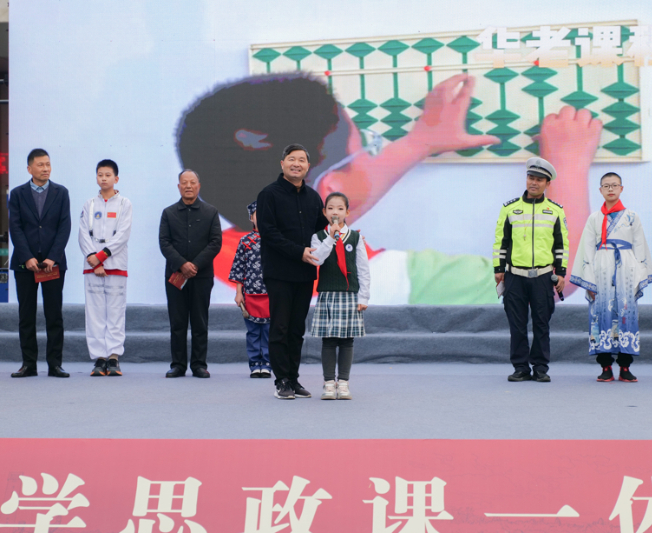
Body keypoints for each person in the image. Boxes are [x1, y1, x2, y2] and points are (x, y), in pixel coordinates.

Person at [176, 74, 598, 304]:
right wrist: (566, 162)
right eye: (367, 147)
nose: (374, 155)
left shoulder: (216, 260)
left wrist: (421, 140)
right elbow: (553, 283)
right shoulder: (386, 281)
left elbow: (340, 187)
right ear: (331, 192)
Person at [256, 144, 328, 400]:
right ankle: (282, 380)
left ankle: (294, 379)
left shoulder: (313, 198)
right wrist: (299, 252)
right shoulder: (268, 194)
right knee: (280, 327)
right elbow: (269, 233)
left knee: (297, 329)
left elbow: (323, 232)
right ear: (282, 163)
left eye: (301, 160)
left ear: (308, 166)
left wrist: (343, 235)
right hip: (279, 272)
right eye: (291, 159)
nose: (296, 164)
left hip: (305, 273)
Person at [570, 172, 652, 382]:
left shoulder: (632, 217)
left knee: (627, 314)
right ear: (600, 190)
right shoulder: (594, 218)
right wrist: (589, 280)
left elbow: (640, 247)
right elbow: (587, 250)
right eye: (606, 186)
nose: (610, 189)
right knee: (601, 314)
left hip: (626, 269)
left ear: (621, 189)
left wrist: (639, 275)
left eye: (614, 185)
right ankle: (605, 366)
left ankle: (625, 366)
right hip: (601, 269)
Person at [494, 156, 569, 383]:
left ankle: (540, 367)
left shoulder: (555, 211)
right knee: (516, 325)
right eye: (530, 177)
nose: (533, 183)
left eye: (539, 179)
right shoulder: (509, 208)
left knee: (541, 325)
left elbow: (561, 244)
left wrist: (561, 272)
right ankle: (520, 367)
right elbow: (501, 241)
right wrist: (499, 269)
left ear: (548, 183)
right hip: (514, 276)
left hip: (543, 276)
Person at [8, 148, 71, 378]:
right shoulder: (17, 194)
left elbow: (64, 227)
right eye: (41, 165)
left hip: (53, 264)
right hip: (25, 264)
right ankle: (29, 364)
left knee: (54, 315)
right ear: (29, 168)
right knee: (26, 315)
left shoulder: (61, 192)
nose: (46, 169)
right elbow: (15, 227)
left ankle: (55, 364)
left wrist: (53, 257)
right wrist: (27, 257)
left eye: (48, 164)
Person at [160, 169, 222, 378]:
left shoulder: (210, 212)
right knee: (177, 322)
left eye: (192, 182)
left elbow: (215, 243)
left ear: (199, 186)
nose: (188, 186)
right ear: (179, 187)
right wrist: (181, 264)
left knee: (199, 321)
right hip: (175, 276)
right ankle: (178, 364)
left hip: (201, 276)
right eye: (184, 183)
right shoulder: (168, 213)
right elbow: (164, 243)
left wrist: (194, 265)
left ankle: (199, 365)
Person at [309, 192, 370, 400]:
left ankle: (343, 383)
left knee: (346, 341)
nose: (335, 212)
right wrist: (330, 238)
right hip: (328, 294)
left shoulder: (355, 237)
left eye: (340, 208)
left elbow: (363, 268)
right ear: (324, 212)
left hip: (349, 295)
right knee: (328, 340)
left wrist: (364, 296)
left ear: (347, 212)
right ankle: (328, 383)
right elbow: (317, 260)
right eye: (331, 208)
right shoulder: (318, 236)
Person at [78, 159, 133, 377]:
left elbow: (123, 234)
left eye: (108, 175)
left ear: (116, 178)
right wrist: (94, 259)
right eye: (100, 175)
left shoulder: (125, 204)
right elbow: (83, 234)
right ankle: (99, 358)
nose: (103, 178)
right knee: (94, 312)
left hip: (116, 264)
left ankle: (113, 356)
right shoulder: (89, 204)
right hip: (92, 265)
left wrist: (102, 257)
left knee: (116, 312)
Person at [229, 201, 271, 378]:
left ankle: (267, 364)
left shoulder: (275, 240)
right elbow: (239, 268)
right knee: (253, 332)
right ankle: (255, 364)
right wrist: (239, 292)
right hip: (250, 294)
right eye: (257, 214)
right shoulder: (245, 241)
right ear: (251, 218)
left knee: (268, 331)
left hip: (270, 294)